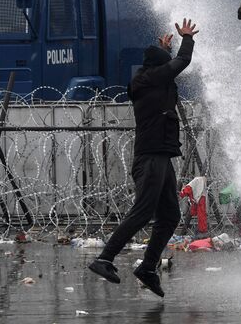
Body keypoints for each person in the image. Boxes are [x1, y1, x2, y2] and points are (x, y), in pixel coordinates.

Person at [88, 19, 199, 297]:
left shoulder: (150, 78)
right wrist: (186, 38)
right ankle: (104, 259)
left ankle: (148, 269)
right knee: (144, 211)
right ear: (157, 66)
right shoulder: (150, 79)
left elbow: (167, 66)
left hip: (160, 155)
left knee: (170, 215)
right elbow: (182, 61)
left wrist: (161, 48)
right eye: (164, 61)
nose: (168, 66)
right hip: (150, 157)